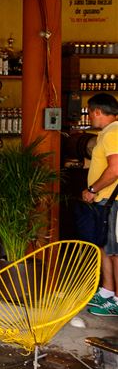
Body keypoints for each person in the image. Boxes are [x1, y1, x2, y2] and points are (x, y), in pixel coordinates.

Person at [78, 94, 118, 317]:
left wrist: (92, 189)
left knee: (114, 251)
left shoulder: (113, 132)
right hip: (106, 200)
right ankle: (107, 291)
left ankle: (117, 300)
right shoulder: (109, 132)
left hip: (112, 200)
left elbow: (115, 169)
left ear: (97, 112)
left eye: (90, 111)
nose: (90, 115)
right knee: (103, 247)